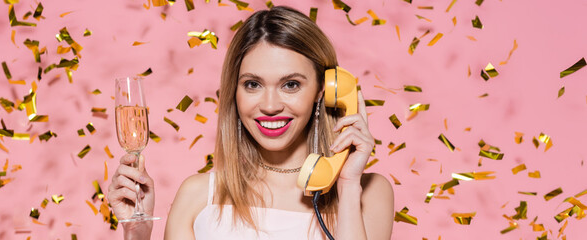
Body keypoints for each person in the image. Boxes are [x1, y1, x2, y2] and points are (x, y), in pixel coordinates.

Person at [107, 5, 394, 240]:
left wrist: (346, 182)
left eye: (291, 84)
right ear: (235, 90)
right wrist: (136, 232)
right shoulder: (197, 196)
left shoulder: (367, 193)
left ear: (323, 90)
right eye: (253, 84)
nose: (269, 106)